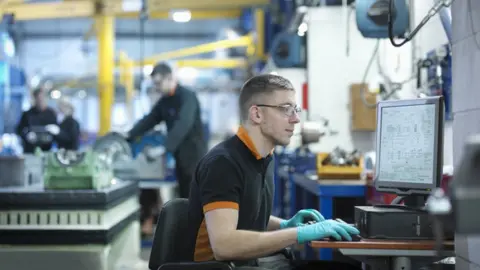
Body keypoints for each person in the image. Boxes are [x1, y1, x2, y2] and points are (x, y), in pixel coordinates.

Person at [187, 74, 361, 270]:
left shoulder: (263, 158)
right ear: (257, 114)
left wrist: (284, 225)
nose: (295, 119)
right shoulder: (223, 164)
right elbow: (224, 245)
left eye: (295, 109)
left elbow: (243, 214)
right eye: (286, 109)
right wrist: (297, 235)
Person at [126, 62, 207, 234]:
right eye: (154, 84)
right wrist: (128, 135)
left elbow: (182, 124)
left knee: (194, 197)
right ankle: (189, 238)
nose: (156, 87)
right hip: (180, 155)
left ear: (170, 78)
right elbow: (149, 120)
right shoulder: (165, 102)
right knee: (185, 197)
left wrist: (165, 147)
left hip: (194, 157)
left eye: (158, 83)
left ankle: (199, 239)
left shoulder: (187, 97)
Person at [16, 88, 57, 153]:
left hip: (47, 150)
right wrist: (26, 135)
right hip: (30, 149)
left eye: (42, 98)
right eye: (38, 99)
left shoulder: (51, 114)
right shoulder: (27, 114)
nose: (41, 101)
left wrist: (53, 133)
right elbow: (19, 130)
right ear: (35, 99)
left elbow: (57, 132)